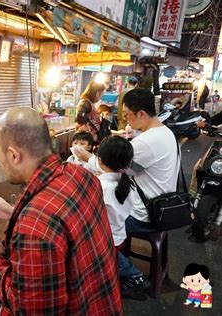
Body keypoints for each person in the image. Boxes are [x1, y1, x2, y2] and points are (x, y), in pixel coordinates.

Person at [0, 107, 122, 315]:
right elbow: (61, 230)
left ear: (13, 155)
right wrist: (17, 214)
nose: (0, 161)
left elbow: (30, 311)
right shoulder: (83, 176)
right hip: (103, 305)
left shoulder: (34, 227)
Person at [75, 88, 180, 294]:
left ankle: (133, 275)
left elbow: (116, 166)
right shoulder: (164, 132)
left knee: (88, 231)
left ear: (141, 114)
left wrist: (87, 157)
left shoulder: (147, 142)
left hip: (145, 214)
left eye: (128, 116)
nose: (126, 121)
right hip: (162, 206)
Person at [95, 136, 136, 249]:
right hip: (120, 236)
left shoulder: (100, 186)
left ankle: (124, 266)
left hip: (104, 241)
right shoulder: (128, 183)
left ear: (100, 161)